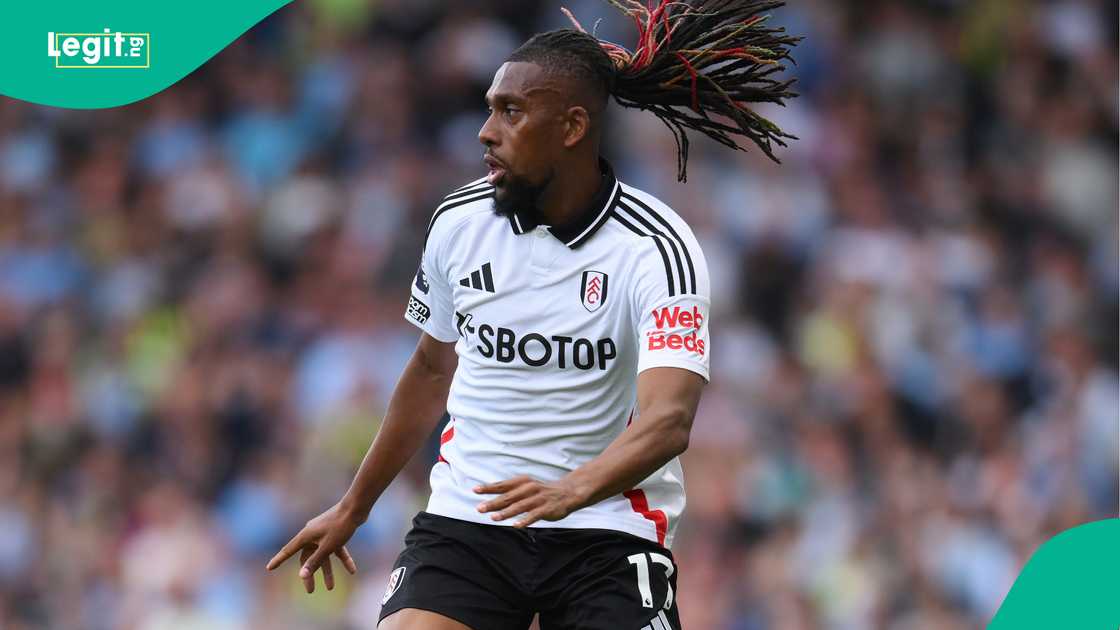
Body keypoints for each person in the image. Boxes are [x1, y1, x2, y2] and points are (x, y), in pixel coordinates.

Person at [266, 2, 798, 628]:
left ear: (572, 127)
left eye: (510, 112)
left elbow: (668, 421)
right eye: (491, 108)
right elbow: (432, 369)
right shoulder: (458, 224)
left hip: (606, 528)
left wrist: (569, 491)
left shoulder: (658, 249)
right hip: (472, 519)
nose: (485, 131)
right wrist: (353, 507)